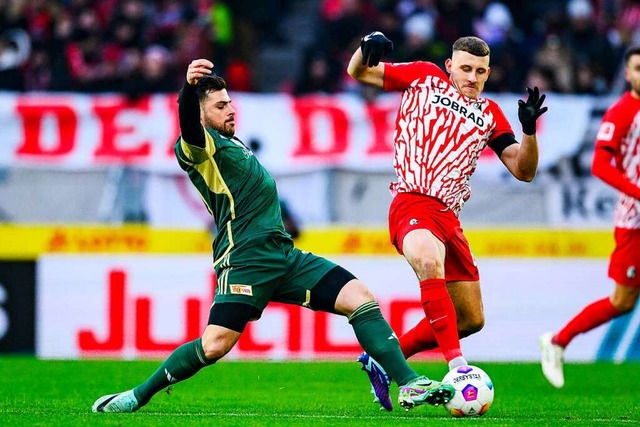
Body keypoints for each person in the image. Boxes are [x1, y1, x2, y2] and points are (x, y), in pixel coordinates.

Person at [91, 58, 456, 414]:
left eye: (231, 103)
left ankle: (408, 381)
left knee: (359, 298)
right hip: (245, 260)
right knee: (215, 345)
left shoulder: (235, 145)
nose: (230, 110)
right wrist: (188, 91)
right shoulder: (200, 149)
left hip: (283, 256)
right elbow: (188, 127)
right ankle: (137, 396)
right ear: (202, 114)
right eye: (220, 106)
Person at [347, 32, 547, 410]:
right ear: (449, 66)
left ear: (488, 74)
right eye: (466, 69)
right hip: (411, 200)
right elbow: (359, 72)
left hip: (448, 218)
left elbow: (524, 170)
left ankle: (381, 360)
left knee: (470, 318)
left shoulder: (490, 114)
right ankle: (458, 369)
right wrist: (365, 47)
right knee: (427, 261)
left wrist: (530, 132)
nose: (472, 77)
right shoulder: (423, 77)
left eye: (481, 71)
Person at [540, 46, 640, 388]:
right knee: (622, 302)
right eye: (638, 69)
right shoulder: (623, 111)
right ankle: (558, 341)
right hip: (635, 222)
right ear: (627, 74)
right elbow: (599, 164)